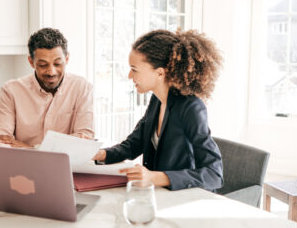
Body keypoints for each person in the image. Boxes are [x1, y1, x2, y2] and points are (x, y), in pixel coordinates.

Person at [92, 29, 224, 192]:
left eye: (134, 69)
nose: (129, 76)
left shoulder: (191, 108)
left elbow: (214, 174)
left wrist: (155, 177)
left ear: (160, 72)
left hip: (185, 198)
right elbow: (135, 144)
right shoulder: (157, 100)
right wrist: (101, 154)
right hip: (159, 195)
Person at [0, 28, 93, 148]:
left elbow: (85, 140)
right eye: (43, 65)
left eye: (57, 64)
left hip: (65, 166)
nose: (51, 72)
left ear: (66, 59)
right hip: (23, 166)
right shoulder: (11, 90)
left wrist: (29, 148)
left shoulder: (82, 88)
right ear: (31, 62)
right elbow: (0, 141)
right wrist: (64, 145)